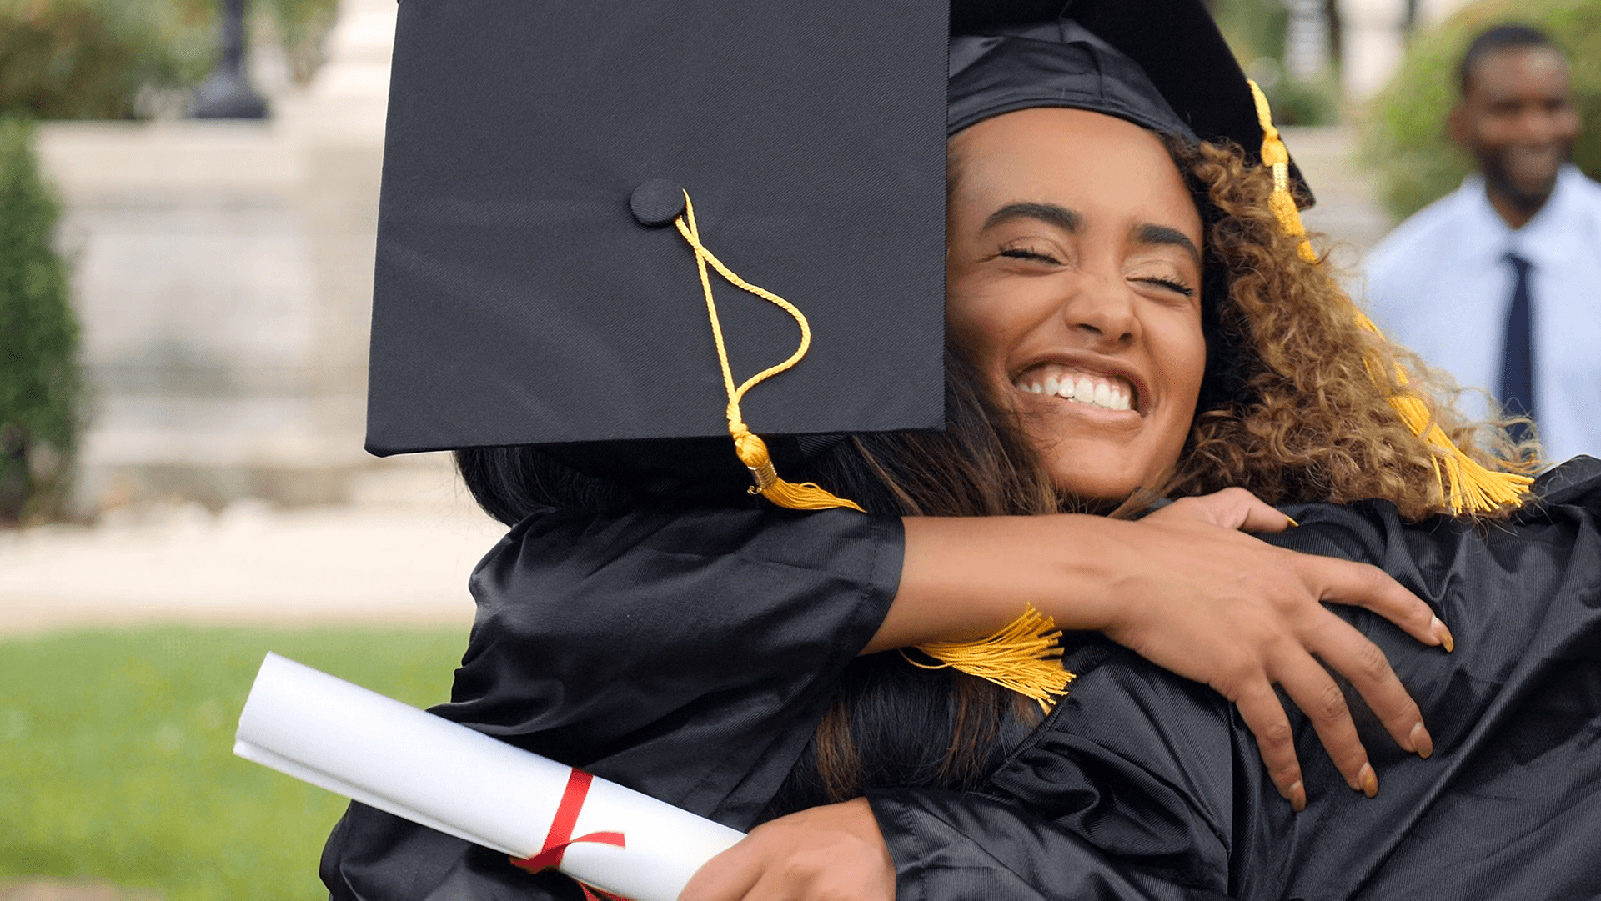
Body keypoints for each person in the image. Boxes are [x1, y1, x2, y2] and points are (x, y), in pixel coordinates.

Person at [318, 14, 1601, 901]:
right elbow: (564, 627)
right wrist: (1105, 570)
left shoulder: (1287, 587)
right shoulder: (692, 610)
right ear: (889, 302)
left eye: (1168, 278)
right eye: (1026, 253)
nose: (1109, 308)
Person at [1364, 23, 1601, 461]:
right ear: (1461, 124)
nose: (1536, 130)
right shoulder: (1394, 277)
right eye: (1507, 109)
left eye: (1553, 106)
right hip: (1458, 527)